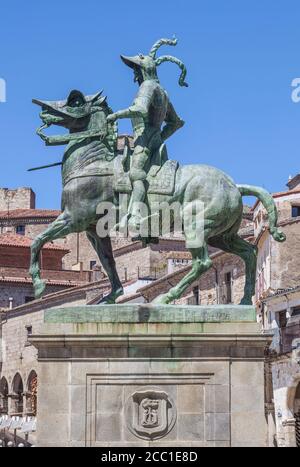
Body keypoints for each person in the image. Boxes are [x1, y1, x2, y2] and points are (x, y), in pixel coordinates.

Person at [107, 38, 188, 232]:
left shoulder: (148, 87)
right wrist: (159, 136)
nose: (134, 76)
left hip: (143, 140)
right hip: (155, 139)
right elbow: (176, 122)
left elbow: (141, 110)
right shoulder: (163, 92)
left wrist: (115, 115)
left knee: (136, 174)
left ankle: (135, 215)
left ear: (143, 70)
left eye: (136, 71)